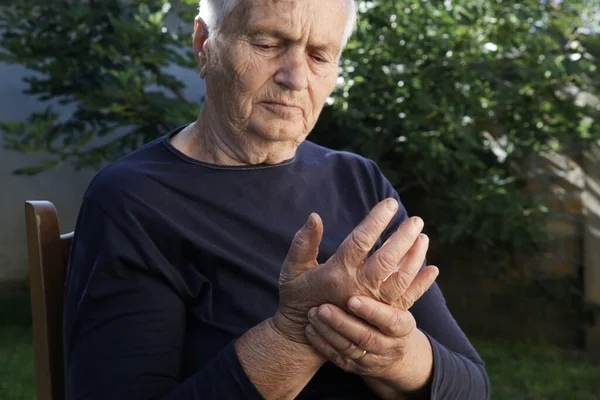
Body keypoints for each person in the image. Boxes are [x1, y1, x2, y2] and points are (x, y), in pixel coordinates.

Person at [63, 0, 490, 399]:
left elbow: (472, 385)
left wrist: (393, 355)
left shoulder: (359, 181)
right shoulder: (134, 200)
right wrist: (293, 335)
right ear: (204, 45)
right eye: (267, 44)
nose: (295, 77)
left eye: (320, 56)